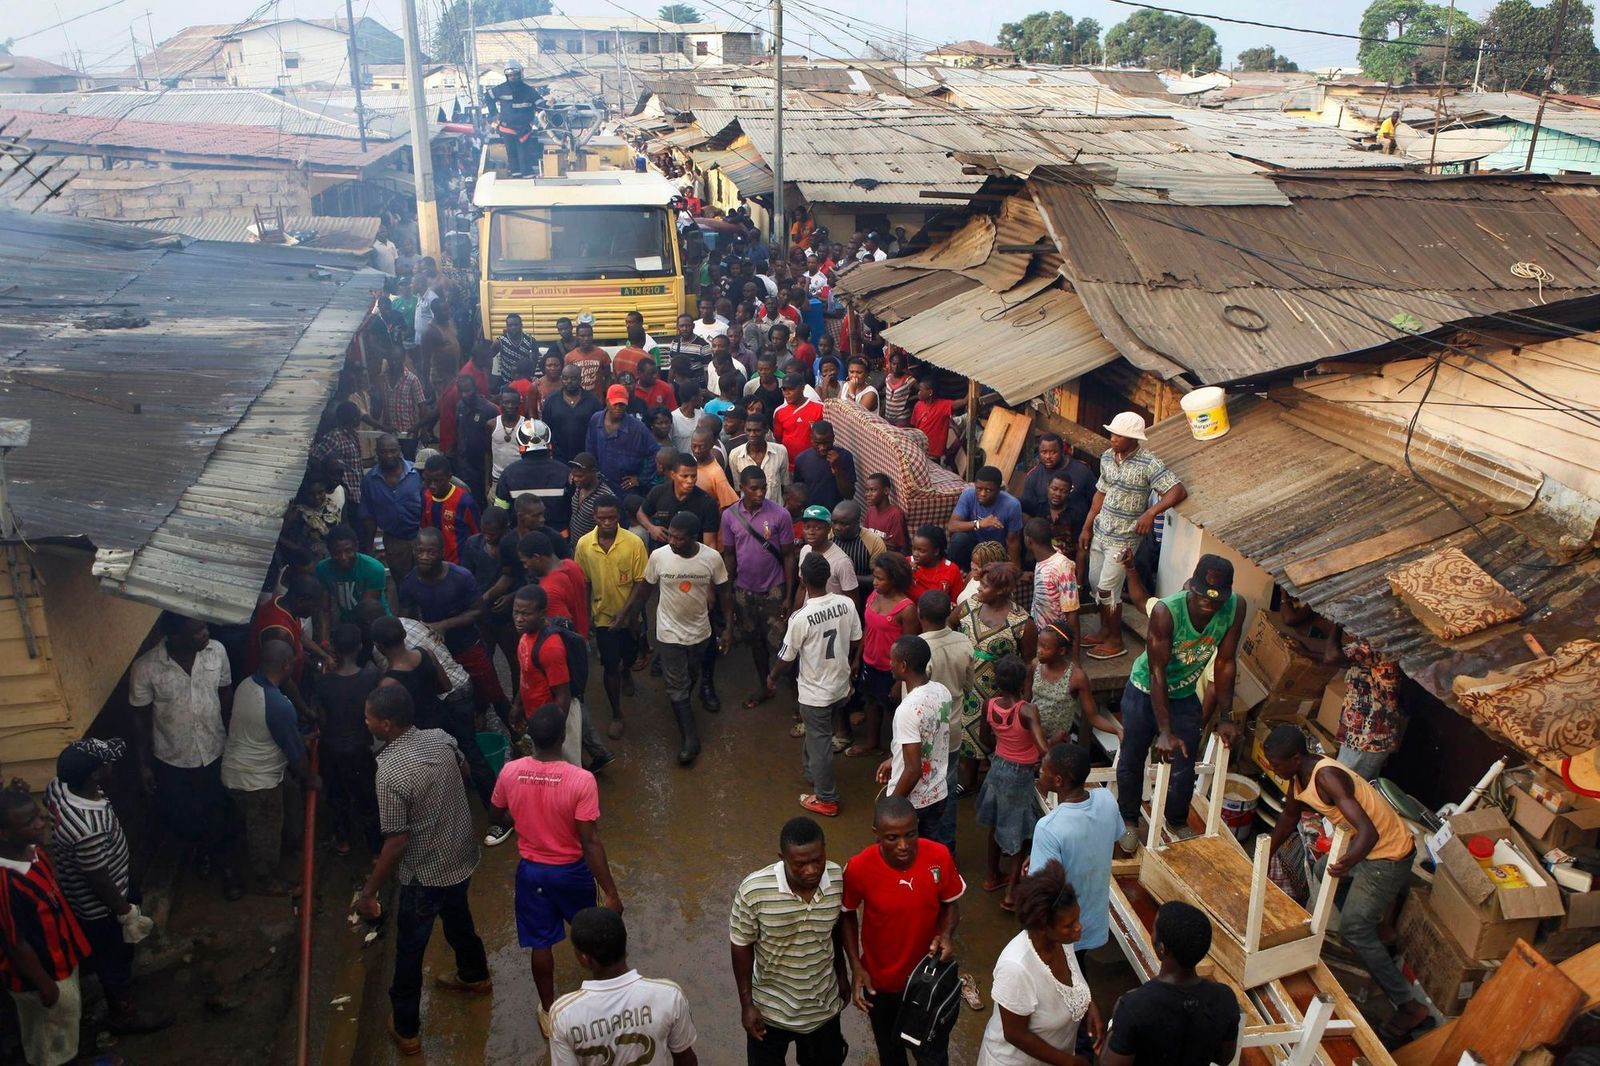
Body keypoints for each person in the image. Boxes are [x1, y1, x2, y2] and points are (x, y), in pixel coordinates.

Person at [1262, 724, 1429, 1041]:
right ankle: (1375, 923)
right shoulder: (1297, 778)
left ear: (1296, 758)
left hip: (1387, 854)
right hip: (1364, 847)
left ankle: (1409, 1006)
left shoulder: (1327, 777)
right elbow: (1289, 817)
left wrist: (1349, 861)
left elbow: (1369, 832)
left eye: (1277, 764)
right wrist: (1263, 854)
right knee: (1323, 870)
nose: (1273, 769)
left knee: (1353, 929)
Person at [358, 686, 491, 1056]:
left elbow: (397, 841)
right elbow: (465, 770)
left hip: (425, 873)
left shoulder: (388, 771)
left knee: (411, 949)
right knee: (458, 916)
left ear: (385, 725)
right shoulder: (441, 739)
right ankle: (475, 975)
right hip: (460, 855)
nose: (365, 721)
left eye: (368, 717)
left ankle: (406, 1028)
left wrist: (369, 891)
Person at [489, 703, 624, 1039]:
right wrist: (611, 892)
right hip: (572, 873)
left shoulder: (510, 772)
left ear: (530, 737)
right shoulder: (581, 780)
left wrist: (522, 819)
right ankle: (604, 1000)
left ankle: (549, 1013)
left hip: (532, 874)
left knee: (541, 943)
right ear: (563, 737)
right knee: (592, 935)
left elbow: (496, 814)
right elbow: (590, 841)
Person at [1115, 555, 1243, 854]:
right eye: (1202, 596)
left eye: (1216, 599)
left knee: (1185, 762)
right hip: (1145, 690)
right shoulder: (1166, 611)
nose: (1208, 603)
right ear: (1192, 587)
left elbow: (1225, 663)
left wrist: (1226, 716)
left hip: (1184, 695)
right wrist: (1164, 730)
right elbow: (1157, 672)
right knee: (1133, 757)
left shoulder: (1236, 607)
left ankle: (1176, 819)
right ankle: (1128, 819)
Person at [44, 739, 172, 1036]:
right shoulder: (88, 826)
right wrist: (124, 911)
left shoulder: (59, 788)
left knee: (111, 953)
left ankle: (117, 986)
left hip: (99, 890)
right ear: (94, 775)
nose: (112, 765)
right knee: (114, 956)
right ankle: (123, 1012)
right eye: (107, 763)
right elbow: (98, 877)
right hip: (103, 906)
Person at [842, 796, 963, 1066]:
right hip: (881, 984)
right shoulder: (859, 868)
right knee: (891, 1054)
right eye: (892, 838)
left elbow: (951, 904)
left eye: (910, 834)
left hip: (927, 981)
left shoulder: (939, 856)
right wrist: (856, 967)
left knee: (932, 1055)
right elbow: (846, 914)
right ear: (876, 834)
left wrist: (945, 934)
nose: (903, 845)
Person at [128, 612, 241, 900]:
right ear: (176, 637)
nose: (206, 633)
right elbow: (140, 719)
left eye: (204, 627)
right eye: (197, 631)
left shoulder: (217, 652)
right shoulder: (146, 668)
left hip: (215, 749)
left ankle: (227, 867)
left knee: (220, 811)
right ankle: (202, 851)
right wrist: (143, 765)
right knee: (185, 815)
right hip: (173, 758)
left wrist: (233, 738)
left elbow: (225, 694)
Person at [730, 817, 848, 1066]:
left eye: (818, 860)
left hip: (823, 1009)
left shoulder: (837, 878)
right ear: (782, 858)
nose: (811, 870)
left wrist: (842, 974)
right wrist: (747, 1005)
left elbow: (836, 928)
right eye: (800, 864)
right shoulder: (753, 890)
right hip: (770, 1012)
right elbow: (741, 945)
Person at [618, 513, 733, 765]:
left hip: (700, 632)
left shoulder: (712, 558)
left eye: (679, 538)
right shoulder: (659, 556)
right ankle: (690, 739)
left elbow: (725, 593)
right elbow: (644, 590)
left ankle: (682, 703)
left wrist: (728, 628)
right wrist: (631, 617)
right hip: (668, 632)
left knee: (691, 675)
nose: (672, 541)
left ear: (694, 538)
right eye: (670, 535)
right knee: (677, 684)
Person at [1078, 412, 1186, 661]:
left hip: (1123, 539)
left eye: (1119, 435)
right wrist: (1086, 527)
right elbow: (1100, 494)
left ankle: (1116, 641)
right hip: (1101, 532)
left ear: (1133, 438)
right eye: (1112, 433)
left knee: (1108, 589)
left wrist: (1151, 512)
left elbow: (1177, 491)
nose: (1113, 438)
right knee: (1096, 585)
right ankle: (1105, 630)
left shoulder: (1149, 463)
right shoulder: (1108, 456)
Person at [977, 860, 1101, 1066]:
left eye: (1077, 919)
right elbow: (1015, 1034)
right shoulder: (1016, 968)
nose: (1079, 927)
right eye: (1069, 925)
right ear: (1043, 927)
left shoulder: (1063, 941)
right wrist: (1069, 1062)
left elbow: (1073, 982)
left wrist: (1087, 1003)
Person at [0, 791, 92, 1066]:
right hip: (41, 976)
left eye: (37, 817)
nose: (40, 824)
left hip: (61, 960)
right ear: (4, 834)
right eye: (29, 822)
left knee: (65, 1024)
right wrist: (44, 984)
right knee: (49, 1039)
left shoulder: (34, 851)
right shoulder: (6, 882)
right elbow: (15, 942)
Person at [768, 553, 862, 818]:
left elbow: (786, 658)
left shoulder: (801, 617)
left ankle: (826, 798)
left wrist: (772, 677)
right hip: (840, 686)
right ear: (827, 576)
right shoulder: (846, 604)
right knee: (818, 732)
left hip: (815, 693)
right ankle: (812, 773)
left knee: (820, 742)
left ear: (802, 579)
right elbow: (856, 639)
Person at [222, 641, 315, 897]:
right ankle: (266, 878)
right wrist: (311, 778)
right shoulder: (278, 705)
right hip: (258, 782)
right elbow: (297, 757)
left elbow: (265, 731)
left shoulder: (246, 685)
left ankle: (288, 844)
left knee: (283, 804)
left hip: (237, 769)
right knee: (266, 830)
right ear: (286, 666)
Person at [550, 907, 699, 1066]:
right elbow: (686, 1059)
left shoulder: (564, 1015)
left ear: (585, 959)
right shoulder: (669, 995)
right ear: (624, 944)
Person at [1102, 901, 1239, 1066]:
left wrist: (1114, 1024)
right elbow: (1224, 1058)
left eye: (1154, 929)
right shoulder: (1225, 999)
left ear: (1162, 949)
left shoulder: (1133, 1005)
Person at [400, 528, 512, 727]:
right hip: (436, 651)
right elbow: (406, 620)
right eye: (420, 551)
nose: (424, 557)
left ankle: (516, 733)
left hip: (467, 645)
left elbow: (478, 611)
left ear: (442, 552)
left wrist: (443, 625)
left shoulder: (461, 577)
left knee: (493, 691)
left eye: (431, 552)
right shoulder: (409, 583)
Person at [1024, 743, 1121, 961]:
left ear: (1058, 781)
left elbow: (1042, 889)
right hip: (1093, 918)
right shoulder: (1107, 799)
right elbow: (1108, 842)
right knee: (1079, 961)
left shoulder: (1048, 827)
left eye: (1044, 768)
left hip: (1062, 924)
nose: (1039, 770)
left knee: (1065, 968)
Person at [974, 655, 1049, 911]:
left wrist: (1002, 748)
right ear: (1023, 682)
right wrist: (1056, 742)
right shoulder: (1027, 710)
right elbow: (1043, 749)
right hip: (1020, 775)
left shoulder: (990, 704)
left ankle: (992, 876)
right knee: (1022, 835)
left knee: (995, 825)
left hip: (997, 768)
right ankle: (1010, 895)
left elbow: (985, 738)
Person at [722, 466, 796, 708]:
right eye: (754, 488)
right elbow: (730, 555)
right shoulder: (730, 516)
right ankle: (764, 687)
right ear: (741, 488)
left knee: (783, 646)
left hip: (774, 590)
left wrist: (788, 595)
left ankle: (798, 698)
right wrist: (729, 590)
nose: (760, 493)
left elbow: (788, 556)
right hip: (744, 591)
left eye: (763, 487)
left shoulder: (780, 515)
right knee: (755, 642)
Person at [574, 495, 648, 740]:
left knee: (630, 655)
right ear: (594, 517)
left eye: (612, 518)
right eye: (602, 518)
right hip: (603, 617)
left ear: (619, 517)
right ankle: (617, 713)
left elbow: (640, 582)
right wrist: (585, 615)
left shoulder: (634, 543)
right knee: (609, 664)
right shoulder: (584, 545)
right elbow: (584, 582)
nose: (607, 522)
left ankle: (627, 671)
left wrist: (626, 613)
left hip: (630, 617)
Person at [876, 633, 954, 842]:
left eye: (892, 660)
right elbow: (931, 738)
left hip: (913, 802)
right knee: (930, 850)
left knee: (896, 852)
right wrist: (895, 758)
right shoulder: (942, 692)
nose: (889, 664)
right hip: (938, 793)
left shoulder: (907, 710)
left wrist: (890, 807)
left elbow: (913, 770)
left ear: (903, 666)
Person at [314, 625, 382, 855]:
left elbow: (321, 718)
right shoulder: (370, 678)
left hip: (331, 749)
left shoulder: (322, 682)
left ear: (334, 648)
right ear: (360, 646)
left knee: (336, 797)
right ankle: (375, 849)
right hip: (360, 748)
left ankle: (343, 841)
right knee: (367, 798)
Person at [918, 590, 974, 851]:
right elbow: (968, 685)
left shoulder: (918, 648)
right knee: (947, 788)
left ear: (920, 614)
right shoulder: (963, 642)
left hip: (926, 731)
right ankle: (946, 848)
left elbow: (914, 699)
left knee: (922, 787)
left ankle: (926, 846)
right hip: (952, 727)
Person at [852, 552, 919, 758]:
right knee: (871, 702)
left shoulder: (906, 609)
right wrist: (858, 659)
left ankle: (896, 754)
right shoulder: (874, 596)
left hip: (893, 671)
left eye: (880, 578)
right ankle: (872, 743)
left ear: (895, 579)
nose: (875, 582)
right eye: (875, 576)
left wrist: (900, 681)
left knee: (895, 712)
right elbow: (868, 629)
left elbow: (909, 647)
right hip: (869, 663)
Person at [1324, 623, 1405, 781]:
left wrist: (1336, 623)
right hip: (1365, 737)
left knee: (1345, 784)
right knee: (1359, 785)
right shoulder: (1375, 641)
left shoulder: (1377, 642)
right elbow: (1337, 656)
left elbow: (1331, 656)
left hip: (1367, 739)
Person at [1030, 624, 1116, 748]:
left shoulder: (1076, 677)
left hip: (1059, 743)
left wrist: (1118, 731)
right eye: (1039, 645)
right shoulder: (1035, 665)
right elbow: (1025, 702)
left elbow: (1093, 717)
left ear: (1061, 651)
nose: (1039, 651)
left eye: (1046, 647)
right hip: (1033, 737)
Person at [496, 418, 573, 538]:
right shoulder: (565, 472)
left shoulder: (508, 474)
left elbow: (501, 513)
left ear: (520, 443)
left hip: (522, 540)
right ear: (548, 442)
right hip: (559, 539)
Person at [362, 433, 425, 580]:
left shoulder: (416, 473)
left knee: (427, 580)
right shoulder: (370, 480)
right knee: (402, 582)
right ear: (377, 453)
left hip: (421, 536)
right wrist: (368, 550)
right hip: (394, 540)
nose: (388, 455)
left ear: (399, 450)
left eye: (392, 451)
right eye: (383, 452)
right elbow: (368, 518)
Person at [639, 451, 721, 550]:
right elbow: (641, 513)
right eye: (684, 476)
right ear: (673, 475)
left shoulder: (707, 503)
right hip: (663, 551)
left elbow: (710, 544)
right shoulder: (659, 492)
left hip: (692, 555)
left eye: (693, 476)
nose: (690, 481)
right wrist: (651, 528)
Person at [948, 466, 1023, 572]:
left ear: (999, 490)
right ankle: (955, 572)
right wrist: (979, 524)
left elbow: (1013, 541)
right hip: (974, 547)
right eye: (979, 489)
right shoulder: (968, 495)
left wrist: (1016, 570)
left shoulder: (1012, 505)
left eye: (988, 490)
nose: (982, 494)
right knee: (959, 539)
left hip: (996, 551)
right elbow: (952, 526)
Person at [317, 524, 390, 633]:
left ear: (356, 546)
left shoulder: (373, 568)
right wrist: (325, 639)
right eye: (337, 553)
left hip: (375, 624)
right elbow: (324, 610)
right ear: (329, 551)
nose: (343, 557)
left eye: (348, 551)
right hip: (347, 624)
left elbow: (365, 611)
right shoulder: (322, 569)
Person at [1024, 516, 1080, 652]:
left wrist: (1074, 657)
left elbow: (1072, 613)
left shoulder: (1062, 566)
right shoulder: (1044, 556)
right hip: (1041, 635)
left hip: (1055, 640)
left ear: (1029, 541)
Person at [1020, 433, 1094, 536]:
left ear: (1062, 451)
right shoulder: (1033, 476)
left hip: (1077, 535)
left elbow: (1096, 503)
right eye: (1044, 452)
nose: (1048, 457)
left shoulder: (1082, 471)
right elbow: (1026, 511)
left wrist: (1087, 530)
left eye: (1053, 452)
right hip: (1045, 537)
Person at [421, 454, 481, 565]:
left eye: (437, 481)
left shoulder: (464, 502)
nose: (432, 485)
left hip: (459, 564)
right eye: (428, 480)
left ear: (449, 477)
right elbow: (425, 528)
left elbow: (477, 536)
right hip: (435, 564)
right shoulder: (425, 497)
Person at [489, 60, 543, 176]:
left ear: (520, 74)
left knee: (525, 154)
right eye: (510, 75)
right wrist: (494, 113)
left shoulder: (529, 91)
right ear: (506, 76)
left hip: (524, 130)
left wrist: (548, 106)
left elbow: (540, 105)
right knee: (512, 154)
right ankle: (515, 174)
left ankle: (527, 174)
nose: (513, 77)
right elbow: (488, 97)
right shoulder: (501, 89)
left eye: (515, 75)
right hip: (507, 129)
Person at [796, 504, 858, 604]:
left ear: (829, 529)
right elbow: (802, 587)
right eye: (807, 527)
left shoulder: (842, 562)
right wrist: (795, 612)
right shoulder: (805, 550)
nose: (811, 532)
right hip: (809, 612)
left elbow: (852, 600)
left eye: (817, 528)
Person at [793, 420, 855, 513]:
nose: (822, 447)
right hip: (810, 514)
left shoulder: (844, 456)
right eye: (818, 443)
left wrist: (837, 469)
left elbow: (849, 495)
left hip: (834, 515)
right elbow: (798, 492)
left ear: (833, 438)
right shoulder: (801, 459)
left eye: (826, 443)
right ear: (811, 439)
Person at [728, 411, 790, 501]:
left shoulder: (781, 451)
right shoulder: (735, 455)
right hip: (749, 508)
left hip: (774, 507)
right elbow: (738, 487)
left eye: (757, 431)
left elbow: (785, 484)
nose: (752, 434)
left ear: (766, 430)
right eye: (749, 430)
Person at [773, 369, 826, 471]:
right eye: (784, 389)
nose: (787, 393)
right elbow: (778, 439)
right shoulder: (779, 412)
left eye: (791, 389)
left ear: (802, 388)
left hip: (814, 464)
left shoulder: (820, 408)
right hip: (789, 466)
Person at [830, 500, 886, 595]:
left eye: (843, 524)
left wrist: (847, 578)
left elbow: (879, 576)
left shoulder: (873, 541)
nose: (837, 527)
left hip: (862, 594)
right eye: (834, 522)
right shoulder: (827, 536)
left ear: (857, 522)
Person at [910, 377, 966, 464]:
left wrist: (970, 394)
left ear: (930, 392)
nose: (918, 393)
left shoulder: (942, 405)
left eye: (921, 390)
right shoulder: (918, 405)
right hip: (920, 449)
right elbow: (914, 426)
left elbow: (962, 402)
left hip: (934, 452)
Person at [909, 526, 964, 606]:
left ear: (936, 551)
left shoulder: (951, 570)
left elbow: (956, 602)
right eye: (914, 549)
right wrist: (905, 574)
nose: (915, 554)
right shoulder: (906, 564)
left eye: (921, 551)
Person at [690, 426, 738, 508]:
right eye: (694, 446)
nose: (697, 450)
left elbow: (730, 505)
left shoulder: (716, 474)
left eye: (701, 446)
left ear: (711, 445)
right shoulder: (691, 463)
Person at [565, 321, 612, 401]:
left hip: (597, 401)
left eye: (589, 335)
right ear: (577, 337)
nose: (586, 339)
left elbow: (608, 377)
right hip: (578, 400)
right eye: (582, 336)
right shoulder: (569, 357)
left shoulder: (602, 354)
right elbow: (566, 380)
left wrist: (606, 395)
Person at [564, 452, 606, 543]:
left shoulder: (604, 497)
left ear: (593, 472)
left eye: (580, 476)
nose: (575, 479)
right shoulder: (580, 486)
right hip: (575, 546)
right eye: (574, 475)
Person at [492, 312, 541, 389]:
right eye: (510, 325)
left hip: (524, 382)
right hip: (507, 381)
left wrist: (530, 375)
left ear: (521, 325)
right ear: (507, 326)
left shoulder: (530, 340)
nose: (513, 327)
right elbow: (488, 357)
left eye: (516, 325)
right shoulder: (500, 341)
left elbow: (534, 360)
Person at [863, 473, 908, 553]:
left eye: (873, 490)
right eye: (867, 490)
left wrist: (872, 541)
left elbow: (893, 547)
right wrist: (880, 542)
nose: (868, 494)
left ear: (886, 491)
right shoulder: (871, 510)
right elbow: (864, 536)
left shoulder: (895, 514)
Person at [879, 349, 917, 428]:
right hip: (888, 416)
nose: (896, 367)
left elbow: (922, 391)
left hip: (902, 418)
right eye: (894, 364)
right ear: (890, 364)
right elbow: (879, 390)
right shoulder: (888, 377)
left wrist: (909, 399)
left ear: (903, 366)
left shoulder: (908, 379)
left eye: (899, 364)